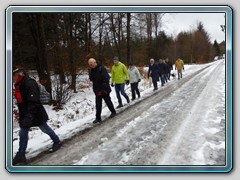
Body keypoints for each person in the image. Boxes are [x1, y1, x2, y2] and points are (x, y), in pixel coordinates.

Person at [12, 67, 62, 165]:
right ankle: (21, 154)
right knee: (23, 133)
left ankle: (57, 141)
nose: (11, 78)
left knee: (44, 128)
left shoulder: (29, 83)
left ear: (17, 75)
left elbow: (34, 101)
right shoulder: (18, 84)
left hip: (35, 112)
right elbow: (21, 101)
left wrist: (29, 116)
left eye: (12, 76)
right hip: (26, 113)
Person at [88, 58, 116, 124]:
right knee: (98, 104)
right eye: (89, 65)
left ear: (95, 62)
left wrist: (103, 88)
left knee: (108, 101)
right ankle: (98, 118)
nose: (90, 66)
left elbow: (106, 79)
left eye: (91, 64)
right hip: (97, 89)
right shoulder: (92, 70)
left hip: (104, 89)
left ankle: (113, 112)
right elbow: (92, 80)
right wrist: (90, 74)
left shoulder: (102, 69)